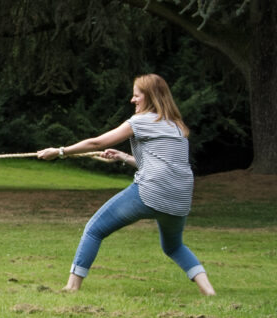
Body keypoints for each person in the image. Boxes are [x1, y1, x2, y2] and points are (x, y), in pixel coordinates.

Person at [36, 74, 215, 295]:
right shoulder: (177, 127)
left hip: (151, 192)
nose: (132, 100)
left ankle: (72, 287)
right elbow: (163, 164)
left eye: (136, 95)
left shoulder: (140, 121)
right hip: (179, 198)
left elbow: (97, 142)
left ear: (149, 97)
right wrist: (124, 157)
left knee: (94, 229)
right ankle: (209, 292)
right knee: (174, 246)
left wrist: (60, 152)